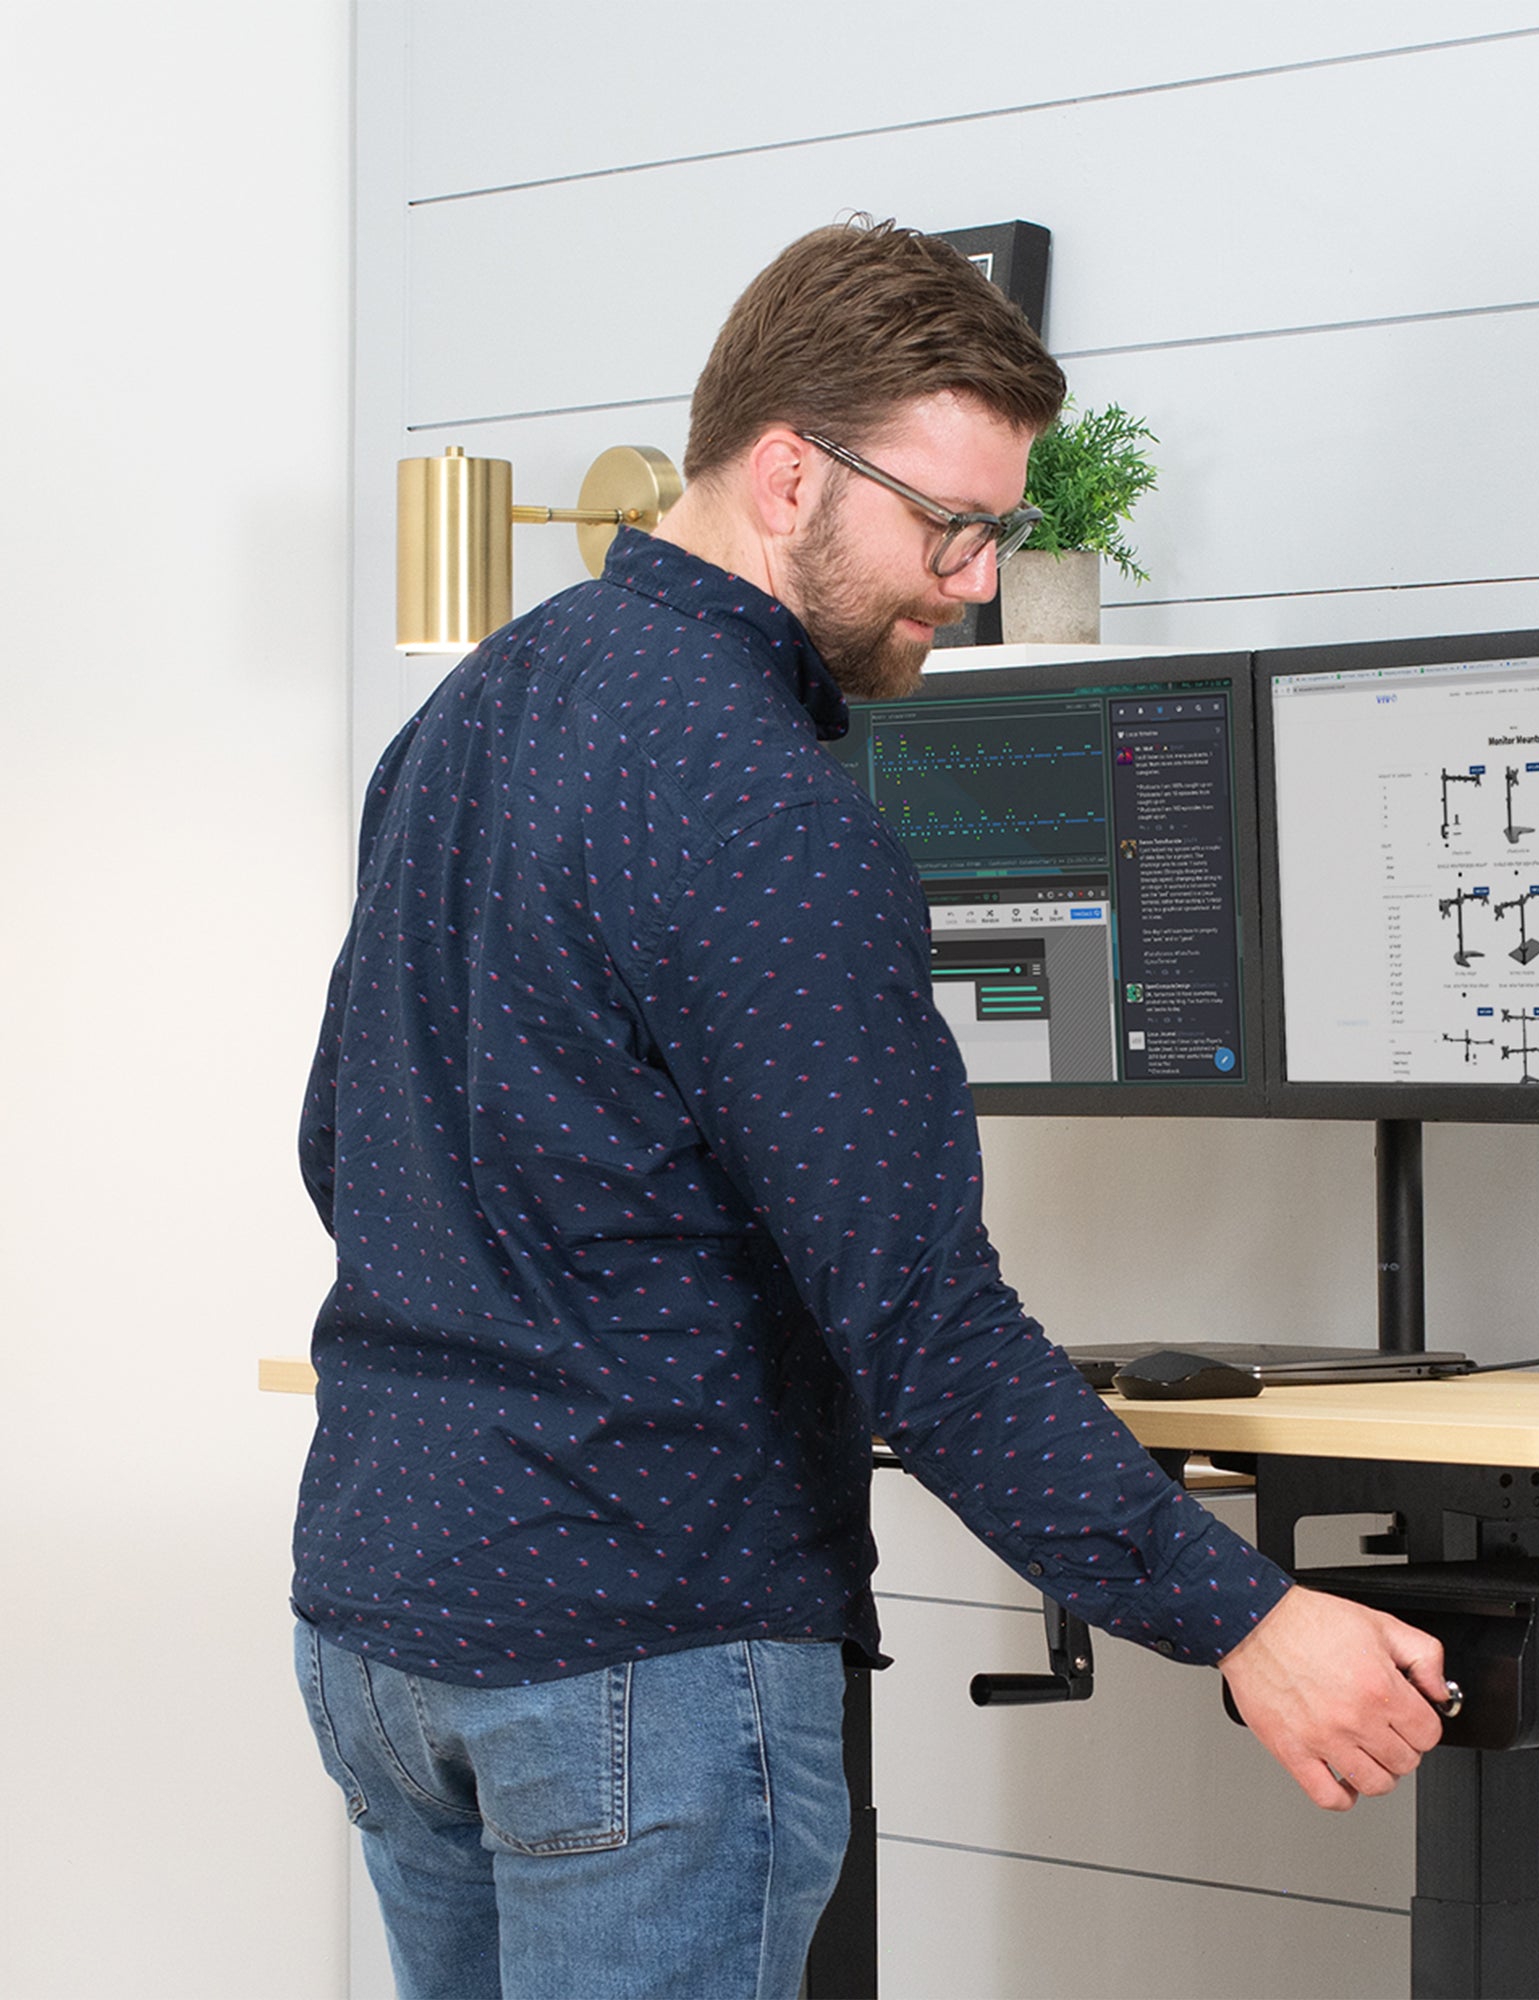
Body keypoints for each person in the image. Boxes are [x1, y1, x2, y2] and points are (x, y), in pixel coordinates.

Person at [292, 217, 1447, 2000]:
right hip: (629, 1648)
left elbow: (339, 1144)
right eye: (951, 525)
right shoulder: (763, 804)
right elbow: (922, 1322)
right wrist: (1250, 1618)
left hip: (382, 1628)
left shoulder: (468, 716)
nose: (977, 579)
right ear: (783, 475)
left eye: (999, 531)